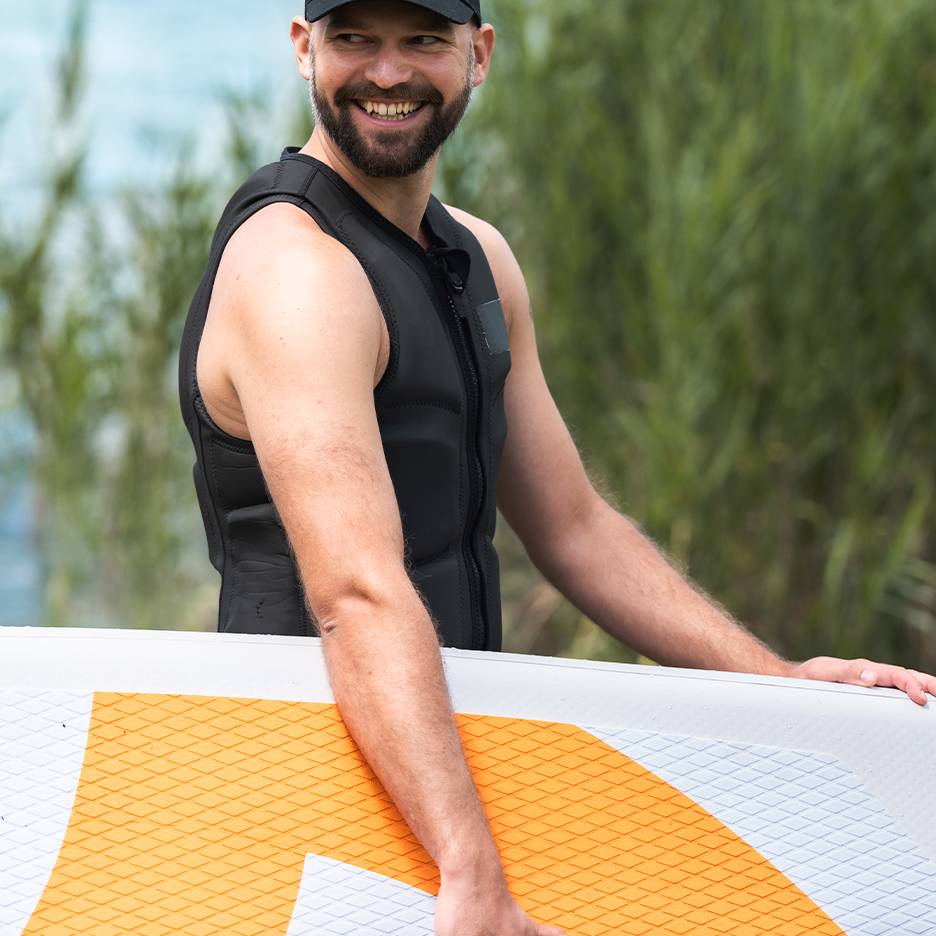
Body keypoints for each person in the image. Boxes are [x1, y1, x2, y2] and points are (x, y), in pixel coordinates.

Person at [177, 1, 936, 932]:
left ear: (479, 55)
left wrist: (775, 679)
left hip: (436, 764)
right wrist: (471, 873)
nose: (387, 73)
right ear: (303, 50)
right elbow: (356, 591)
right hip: (298, 779)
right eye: (354, 39)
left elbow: (576, 528)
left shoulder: (477, 258)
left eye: (422, 40)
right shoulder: (298, 269)